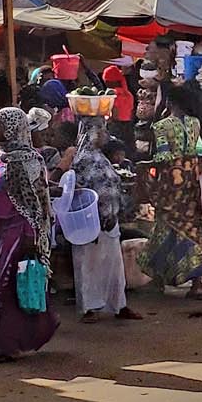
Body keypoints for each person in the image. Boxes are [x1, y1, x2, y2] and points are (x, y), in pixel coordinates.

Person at [0, 107, 65, 362]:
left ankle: (4, 347)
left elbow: (37, 203)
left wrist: (32, 235)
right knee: (3, 287)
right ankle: (41, 327)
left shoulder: (30, 160)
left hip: (20, 231)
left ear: (11, 128)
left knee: (8, 287)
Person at [64, 115, 139, 323]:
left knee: (114, 265)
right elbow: (81, 191)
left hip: (109, 220)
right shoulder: (83, 159)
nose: (105, 134)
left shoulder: (99, 156)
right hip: (91, 222)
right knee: (88, 265)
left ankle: (119, 304)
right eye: (101, 130)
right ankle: (89, 308)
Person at [140, 93, 202, 296]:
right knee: (190, 229)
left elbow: (163, 155)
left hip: (171, 184)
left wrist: (147, 166)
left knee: (165, 227)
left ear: (169, 102)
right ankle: (194, 282)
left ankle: (162, 278)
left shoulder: (162, 126)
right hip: (190, 181)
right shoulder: (195, 123)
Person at [101, 64, 139, 155]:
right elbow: (131, 112)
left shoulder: (112, 94)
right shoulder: (128, 94)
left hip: (116, 127)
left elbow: (115, 114)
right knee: (129, 152)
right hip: (129, 127)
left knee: (116, 152)